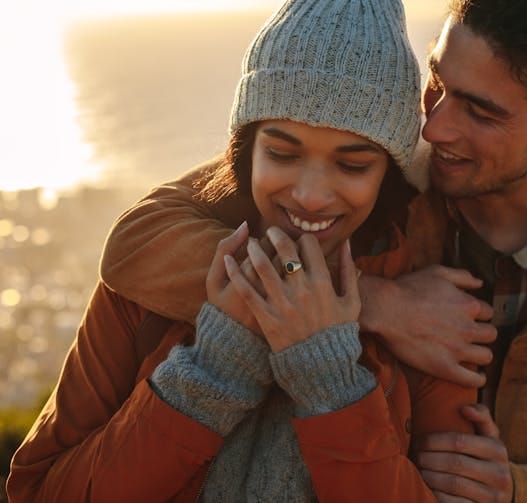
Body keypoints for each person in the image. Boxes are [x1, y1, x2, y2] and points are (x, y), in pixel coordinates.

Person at [45, 0, 527, 502]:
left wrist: (514, 490)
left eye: (480, 112)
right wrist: (372, 303)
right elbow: (141, 236)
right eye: (436, 84)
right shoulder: (369, 175)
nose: (432, 128)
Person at [7, 1, 480, 501]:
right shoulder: (152, 285)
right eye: (282, 153)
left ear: (391, 173)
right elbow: (38, 492)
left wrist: (331, 384)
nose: (310, 195)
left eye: (353, 165)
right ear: (245, 151)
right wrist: (214, 371)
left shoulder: (431, 316)